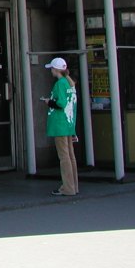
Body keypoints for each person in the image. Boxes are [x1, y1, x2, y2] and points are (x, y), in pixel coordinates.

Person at [43, 57, 79, 197]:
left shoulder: (59, 84)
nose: (51, 71)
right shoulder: (70, 83)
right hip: (69, 123)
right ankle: (73, 186)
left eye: (52, 68)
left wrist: (49, 102)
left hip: (60, 124)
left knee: (64, 157)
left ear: (57, 70)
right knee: (70, 156)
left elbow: (61, 103)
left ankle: (67, 188)